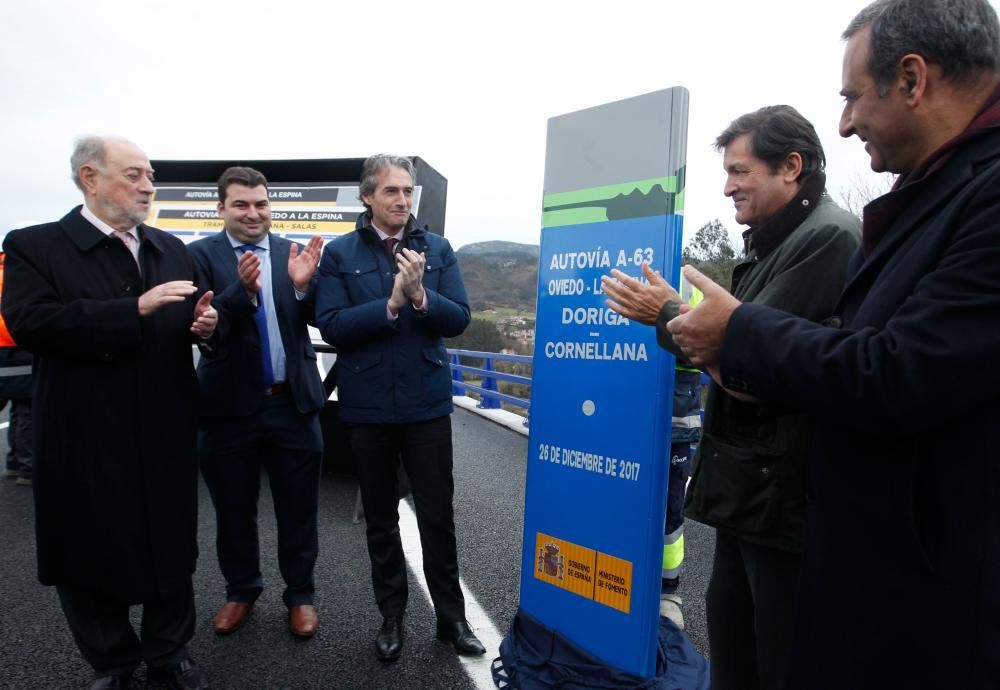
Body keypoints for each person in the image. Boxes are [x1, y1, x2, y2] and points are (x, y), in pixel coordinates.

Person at [666, 1, 1000, 687]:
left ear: (911, 79)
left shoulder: (979, 197)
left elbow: (896, 371)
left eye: (851, 98)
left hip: (928, 589)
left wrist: (729, 329)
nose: (844, 123)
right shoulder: (934, 192)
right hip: (864, 556)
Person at [602, 106, 860, 690]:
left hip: (783, 500)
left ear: (790, 168)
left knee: (776, 661)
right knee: (735, 652)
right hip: (747, 493)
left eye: (740, 171)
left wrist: (668, 315)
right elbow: (727, 345)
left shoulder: (827, 237)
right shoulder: (777, 242)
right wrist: (679, 318)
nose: (727, 187)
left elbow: (757, 361)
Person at [1, 136, 217, 690]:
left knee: (171, 544)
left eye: (150, 176)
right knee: (87, 549)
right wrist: (133, 309)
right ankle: (113, 661)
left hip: (165, 427)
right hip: (82, 432)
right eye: (133, 175)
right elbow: (32, 323)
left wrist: (207, 329)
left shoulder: (172, 248)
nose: (147, 186)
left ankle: (168, 652)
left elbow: (197, 320)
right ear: (89, 178)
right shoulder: (34, 246)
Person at [315, 154, 484, 662]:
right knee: (381, 521)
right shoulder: (340, 254)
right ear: (367, 197)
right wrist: (389, 302)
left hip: (426, 407)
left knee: (438, 517)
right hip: (367, 408)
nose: (402, 200)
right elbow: (332, 325)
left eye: (408, 191)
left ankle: (452, 620)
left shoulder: (437, 249)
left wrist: (418, 298)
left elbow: (458, 319)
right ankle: (391, 616)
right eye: (391, 191)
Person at [187, 166, 326, 639]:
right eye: (241, 204)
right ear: (221, 208)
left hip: (292, 403)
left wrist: (305, 287)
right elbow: (204, 327)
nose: (253, 213)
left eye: (261, 204)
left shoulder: (293, 253)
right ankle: (241, 590)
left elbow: (320, 316)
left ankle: (301, 596)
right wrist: (239, 293)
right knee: (233, 508)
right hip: (227, 408)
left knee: (299, 509)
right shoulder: (197, 256)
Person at [658, 274, 704, 631]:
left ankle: (668, 593)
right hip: (627, 424)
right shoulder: (619, 271)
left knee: (670, 514)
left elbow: (702, 347)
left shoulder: (690, 284)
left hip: (674, 424)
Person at [0, 248, 33, 487]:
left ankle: (13, 463)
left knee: (14, 406)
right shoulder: (18, 274)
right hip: (16, 345)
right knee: (26, 408)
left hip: (3, 348)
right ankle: (27, 468)